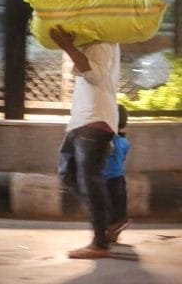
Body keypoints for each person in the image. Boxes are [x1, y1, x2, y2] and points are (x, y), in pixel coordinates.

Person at [50, 25, 120, 259]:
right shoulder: (93, 42)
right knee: (69, 173)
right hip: (84, 121)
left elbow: (95, 75)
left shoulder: (102, 42)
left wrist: (68, 47)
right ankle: (109, 222)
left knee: (88, 180)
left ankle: (100, 242)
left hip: (94, 120)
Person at [104, 104, 132, 243]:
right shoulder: (124, 141)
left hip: (107, 179)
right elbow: (123, 157)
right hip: (119, 178)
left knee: (107, 207)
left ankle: (111, 232)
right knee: (118, 206)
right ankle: (115, 230)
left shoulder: (109, 141)